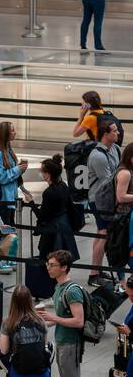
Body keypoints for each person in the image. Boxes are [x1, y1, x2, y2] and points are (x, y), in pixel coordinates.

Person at [40, 250, 88, 377]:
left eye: (52, 265)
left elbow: (78, 321)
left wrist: (53, 318)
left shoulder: (72, 290)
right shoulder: (59, 287)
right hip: (62, 342)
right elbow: (64, 317)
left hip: (70, 344)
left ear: (64, 267)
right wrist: (47, 323)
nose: (48, 268)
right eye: (48, 264)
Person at [87, 117, 121, 278]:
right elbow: (109, 182)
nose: (118, 132)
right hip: (99, 200)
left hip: (109, 199)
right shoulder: (97, 156)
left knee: (101, 232)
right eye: (114, 131)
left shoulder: (115, 149)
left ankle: (97, 269)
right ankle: (94, 273)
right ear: (105, 134)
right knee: (103, 233)